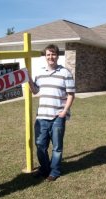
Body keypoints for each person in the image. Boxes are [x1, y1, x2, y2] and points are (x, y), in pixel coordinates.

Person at [28, 44, 75, 181]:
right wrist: (29, 80)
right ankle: (44, 168)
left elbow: (71, 94)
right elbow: (36, 91)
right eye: (48, 54)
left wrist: (64, 111)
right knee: (40, 146)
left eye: (53, 54)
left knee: (57, 147)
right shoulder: (40, 72)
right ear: (45, 56)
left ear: (57, 56)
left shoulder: (65, 73)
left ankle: (54, 171)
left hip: (57, 117)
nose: (50, 57)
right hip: (42, 116)